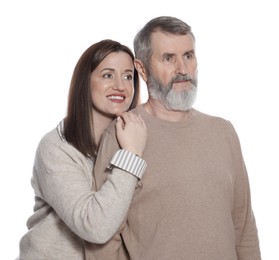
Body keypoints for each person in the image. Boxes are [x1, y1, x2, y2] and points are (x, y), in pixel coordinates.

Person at [85, 16, 261, 259]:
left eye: (188, 56)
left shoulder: (224, 132)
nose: (182, 70)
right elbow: (103, 241)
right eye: (168, 58)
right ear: (142, 69)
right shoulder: (122, 133)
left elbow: (243, 228)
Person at [18, 39, 148, 259]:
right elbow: (95, 226)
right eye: (108, 75)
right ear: (85, 82)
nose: (120, 85)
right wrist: (131, 155)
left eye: (128, 76)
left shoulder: (137, 139)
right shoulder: (56, 148)